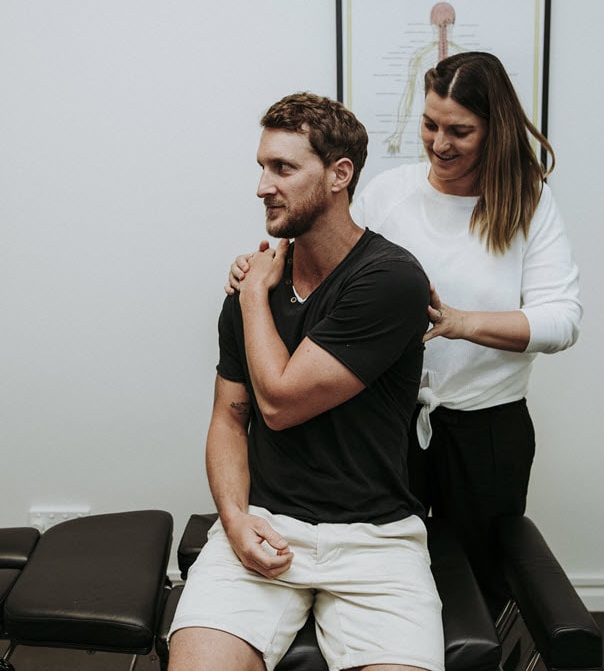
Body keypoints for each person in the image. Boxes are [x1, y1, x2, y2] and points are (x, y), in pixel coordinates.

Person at [227, 53, 582, 605]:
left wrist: (463, 323)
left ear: (495, 130)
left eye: (460, 131)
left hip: (486, 429)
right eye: (430, 124)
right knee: (402, 585)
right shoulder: (391, 192)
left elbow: (562, 321)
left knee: (477, 588)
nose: (440, 142)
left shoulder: (528, 205)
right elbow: (328, 250)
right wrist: (257, 276)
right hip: (389, 427)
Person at [168, 92, 445, 671]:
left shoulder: (389, 280)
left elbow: (278, 402)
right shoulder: (258, 287)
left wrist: (250, 299)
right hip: (267, 524)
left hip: (376, 543)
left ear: (340, 174)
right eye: (262, 167)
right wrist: (237, 520)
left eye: (284, 168)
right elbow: (229, 418)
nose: (263, 186)